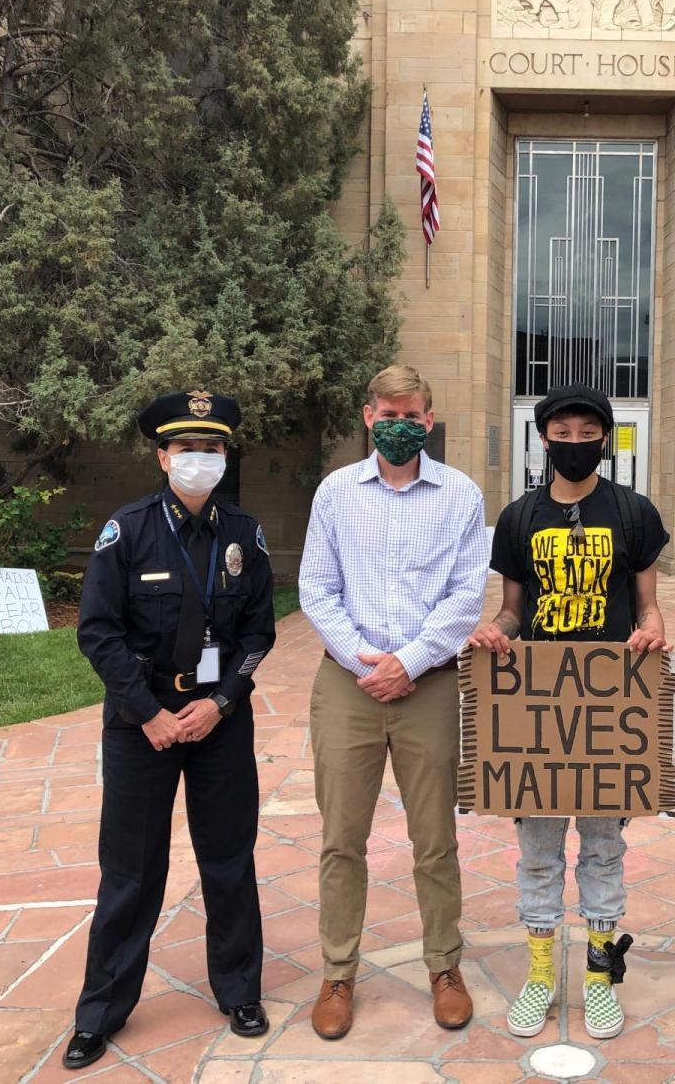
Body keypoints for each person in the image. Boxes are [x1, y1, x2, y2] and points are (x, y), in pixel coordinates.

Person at [63, 390, 275, 1071]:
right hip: (141, 723)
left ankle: (240, 989)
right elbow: (97, 632)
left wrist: (221, 702)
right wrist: (149, 713)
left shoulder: (243, 533)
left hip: (217, 719)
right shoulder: (126, 532)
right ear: (162, 455)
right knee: (130, 871)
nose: (200, 460)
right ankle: (100, 1011)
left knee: (228, 860)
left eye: (211, 448)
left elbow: (258, 633)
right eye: (186, 449)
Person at [469, 383, 671, 1041]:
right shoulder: (519, 517)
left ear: (605, 439)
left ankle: (598, 977)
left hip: (609, 702)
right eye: (564, 430)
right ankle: (538, 974)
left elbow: (648, 606)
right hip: (538, 701)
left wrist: (652, 628)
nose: (576, 441)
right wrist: (494, 631)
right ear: (545, 436)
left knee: (605, 849)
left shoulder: (634, 513)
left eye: (589, 431)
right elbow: (512, 608)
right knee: (538, 851)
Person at [299, 365, 488, 1041]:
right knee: (341, 839)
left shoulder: (462, 495)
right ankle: (338, 969)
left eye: (412, 413)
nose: (399, 423)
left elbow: (467, 596)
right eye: (387, 413)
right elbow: (317, 588)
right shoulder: (336, 492)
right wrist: (366, 662)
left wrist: (407, 663)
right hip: (347, 684)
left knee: (434, 837)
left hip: (428, 685)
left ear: (429, 419)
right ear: (368, 416)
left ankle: (444, 964)